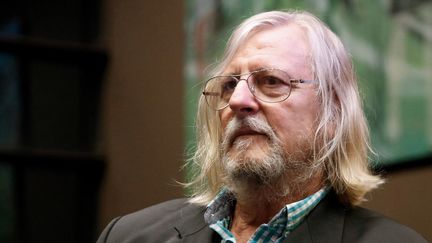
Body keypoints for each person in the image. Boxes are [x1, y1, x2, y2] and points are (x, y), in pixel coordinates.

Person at [97, 10, 428, 243]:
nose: (239, 100)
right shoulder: (129, 236)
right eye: (229, 85)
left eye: (271, 81)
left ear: (333, 115)